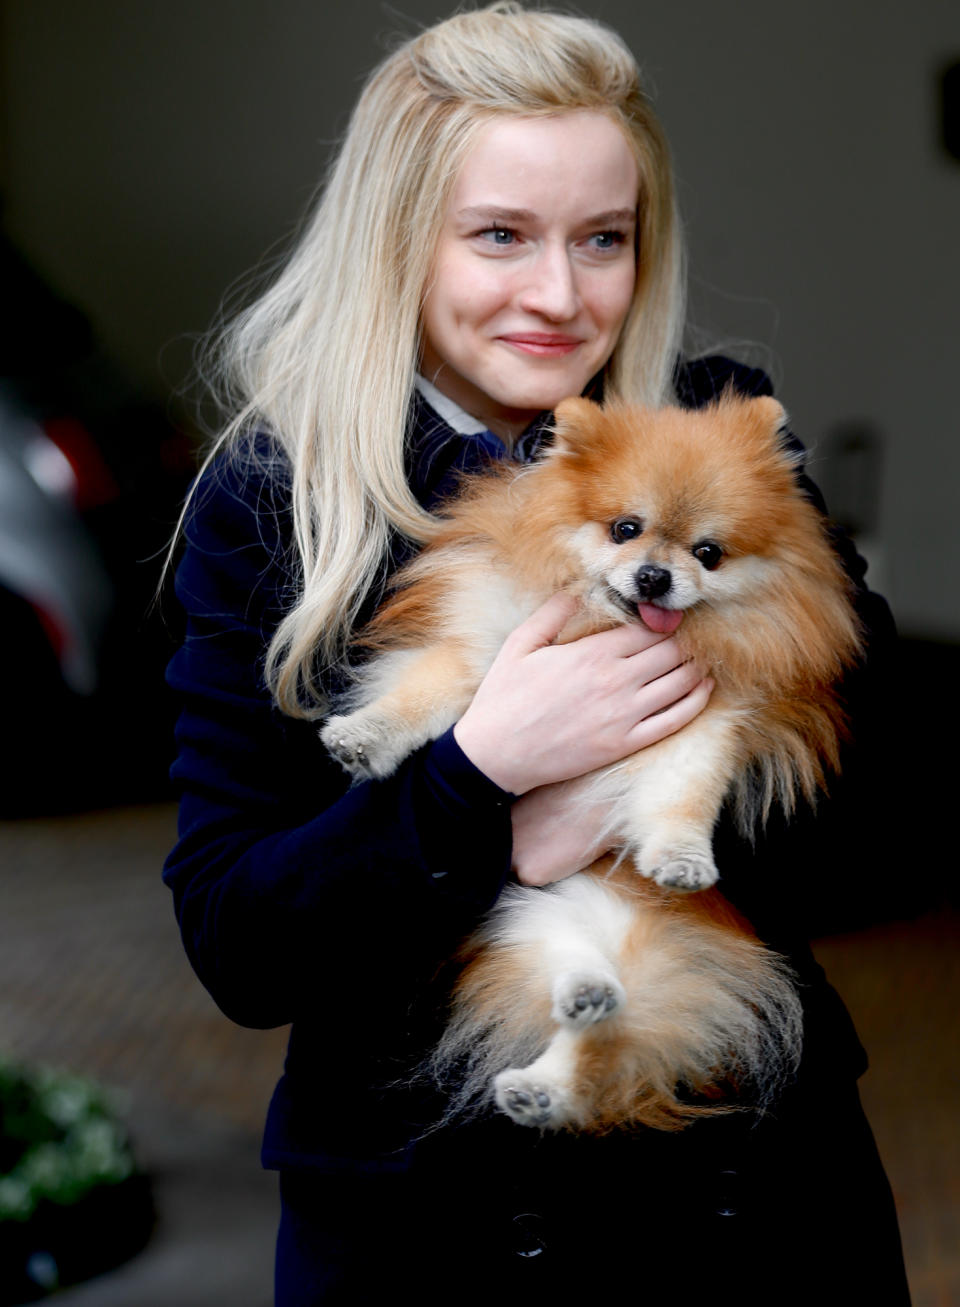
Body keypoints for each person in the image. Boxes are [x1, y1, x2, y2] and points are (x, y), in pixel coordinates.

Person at [163, 5, 910, 1303]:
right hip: (427, 1238)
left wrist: (659, 791)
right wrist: (490, 788)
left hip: (747, 1212)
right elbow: (243, 945)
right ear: (401, 237)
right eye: (501, 235)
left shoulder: (726, 442)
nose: (561, 295)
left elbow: (888, 819)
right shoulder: (276, 501)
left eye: (603, 239)